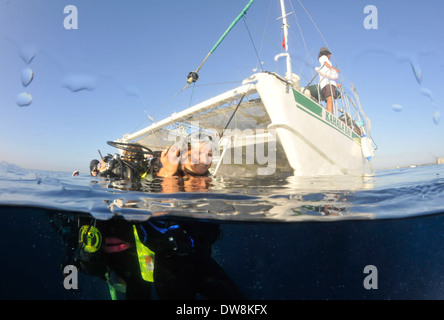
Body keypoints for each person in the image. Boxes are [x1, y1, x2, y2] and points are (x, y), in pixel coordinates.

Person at [318, 47, 342, 114]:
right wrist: (334, 68)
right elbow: (325, 63)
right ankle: (330, 114)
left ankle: (329, 113)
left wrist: (336, 84)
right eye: (329, 54)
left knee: (329, 99)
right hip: (327, 82)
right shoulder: (323, 57)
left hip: (327, 82)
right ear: (326, 54)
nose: (330, 56)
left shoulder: (324, 63)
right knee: (330, 98)